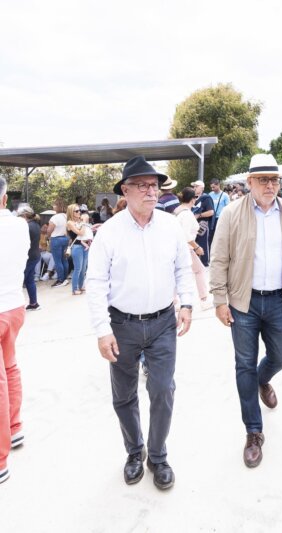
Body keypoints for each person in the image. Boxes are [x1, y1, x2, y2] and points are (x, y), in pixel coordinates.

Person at [86, 156, 194, 490]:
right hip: (122, 325)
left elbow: (182, 267)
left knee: (163, 389)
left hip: (163, 322)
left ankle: (158, 456)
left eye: (155, 185)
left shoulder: (170, 225)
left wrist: (187, 302)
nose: (152, 191)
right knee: (124, 395)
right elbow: (96, 282)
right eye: (144, 185)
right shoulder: (110, 232)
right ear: (126, 190)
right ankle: (134, 452)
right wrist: (103, 330)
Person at [209, 153, 282, 468]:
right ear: (249, 183)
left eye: (274, 179)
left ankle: (263, 379)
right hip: (244, 302)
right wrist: (219, 299)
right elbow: (219, 257)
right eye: (263, 179)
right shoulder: (231, 213)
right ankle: (254, 432)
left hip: (279, 299)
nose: (270, 185)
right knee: (243, 365)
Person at [0, 176, 30, 483]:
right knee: (10, 368)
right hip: (14, 306)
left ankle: (0, 460)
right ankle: (14, 427)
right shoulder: (19, 226)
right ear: (5, 199)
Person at [174, 187, 210, 308]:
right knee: (200, 271)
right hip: (186, 248)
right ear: (193, 199)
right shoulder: (187, 214)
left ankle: (174, 301)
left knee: (177, 274)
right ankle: (204, 300)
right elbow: (187, 235)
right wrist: (197, 247)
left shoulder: (178, 210)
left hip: (179, 247)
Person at [17, 205, 42, 311]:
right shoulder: (35, 224)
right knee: (29, 280)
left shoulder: (27, 226)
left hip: (29, 257)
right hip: (35, 255)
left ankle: (17, 307)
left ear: (25, 215)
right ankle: (33, 303)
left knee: (19, 281)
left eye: (20, 216)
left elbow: (21, 243)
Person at [66, 203, 89, 296]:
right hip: (77, 247)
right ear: (71, 212)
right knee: (78, 268)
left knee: (84, 268)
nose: (79, 212)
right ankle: (74, 289)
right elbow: (81, 233)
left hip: (85, 245)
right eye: (76, 211)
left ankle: (80, 286)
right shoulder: (70, 223)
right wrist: (83, 222)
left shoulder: (79, 221)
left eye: (79, 210)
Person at [191, 180, 214, 266]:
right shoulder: (193, 197)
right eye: (194, 186)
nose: (194, 188)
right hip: (193, 224)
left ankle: (204, 262)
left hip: (203, 224)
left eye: (196, 186)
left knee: (203, 242)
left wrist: (199, 215)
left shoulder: (206, 198)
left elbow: (211, 212)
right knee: (193, 242)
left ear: (202, 188)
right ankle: (195, 261)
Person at [47, 199, 70, 288]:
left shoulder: (55, 217)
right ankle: (65, 278)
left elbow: (49, 230)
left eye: (54, 205)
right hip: (65, 238)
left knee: (57, 261)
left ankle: (60, 280)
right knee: (64, 259)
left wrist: (48, 237)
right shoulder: (66, 216)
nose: (53, 207)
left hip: (56, 239)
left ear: (57, 206)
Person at [208, 178, 230, 245]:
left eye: (214, 187)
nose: (212, 189)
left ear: (218, 185)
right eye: (211, 187)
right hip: (211, 218)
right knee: (210, 236)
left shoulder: (225, 195)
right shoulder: (210, 194)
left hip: (220, 219)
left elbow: (228, 208)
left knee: (219, 236)